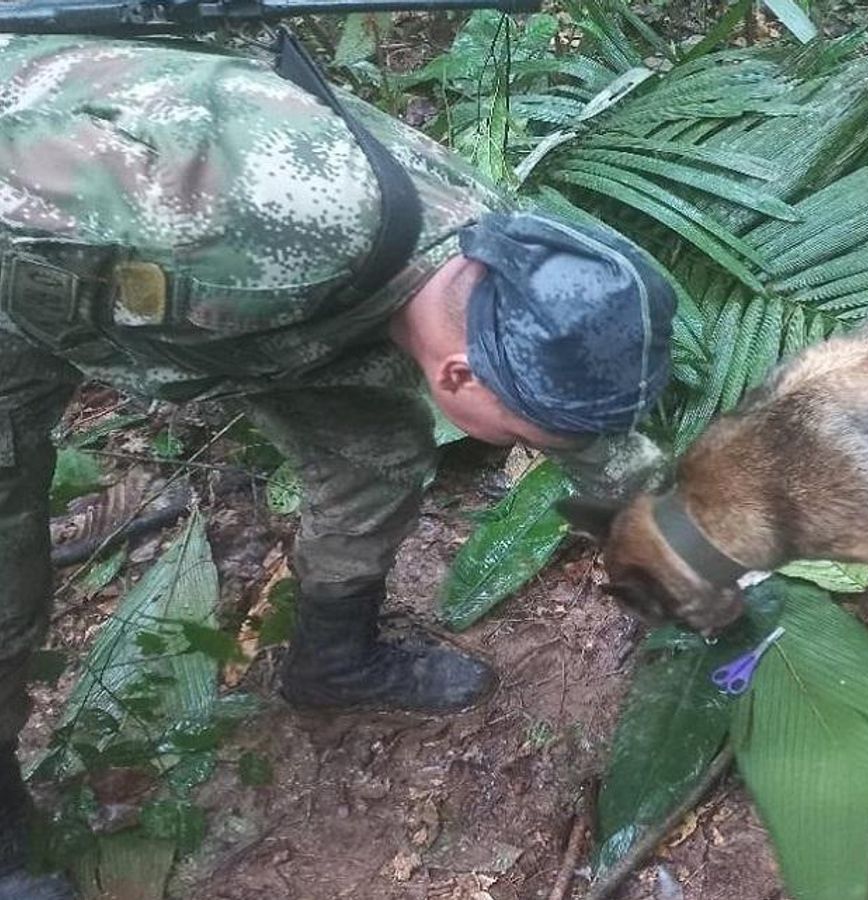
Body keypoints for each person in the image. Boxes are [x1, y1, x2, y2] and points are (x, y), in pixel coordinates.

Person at [0, 33, 675, 898]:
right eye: (523, 437)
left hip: (250, 319)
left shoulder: (505, 268)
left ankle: (332, 660)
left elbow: (585, 431)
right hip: (29, 273)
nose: (535, 448)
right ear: (456, 377)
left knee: (377, 457)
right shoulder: (239, 222)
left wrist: (680, 539)